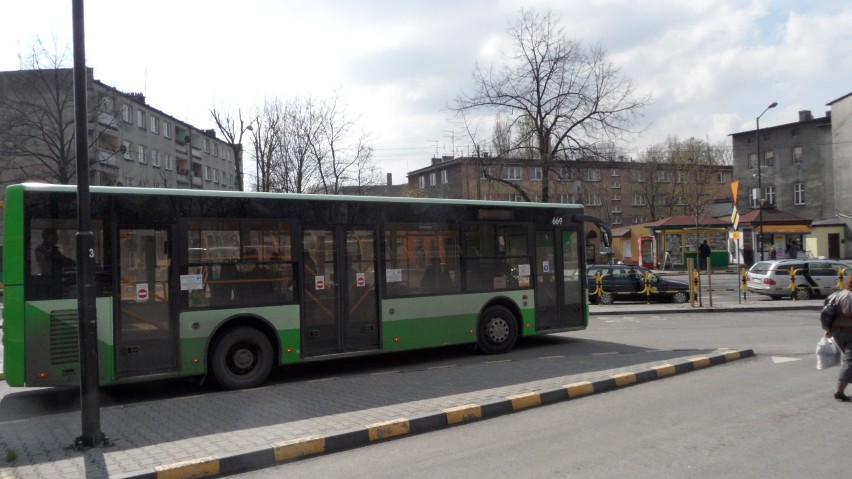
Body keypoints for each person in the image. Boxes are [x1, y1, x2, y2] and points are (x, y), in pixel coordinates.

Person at [823, 275, 852, 402]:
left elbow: (826, 313)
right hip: (849, 331)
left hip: (836, 331)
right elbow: (848, 313)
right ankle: (839, 391)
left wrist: (828, 329)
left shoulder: (837, 295)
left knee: (849, 358)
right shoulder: (848, 296)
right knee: (850, 360)